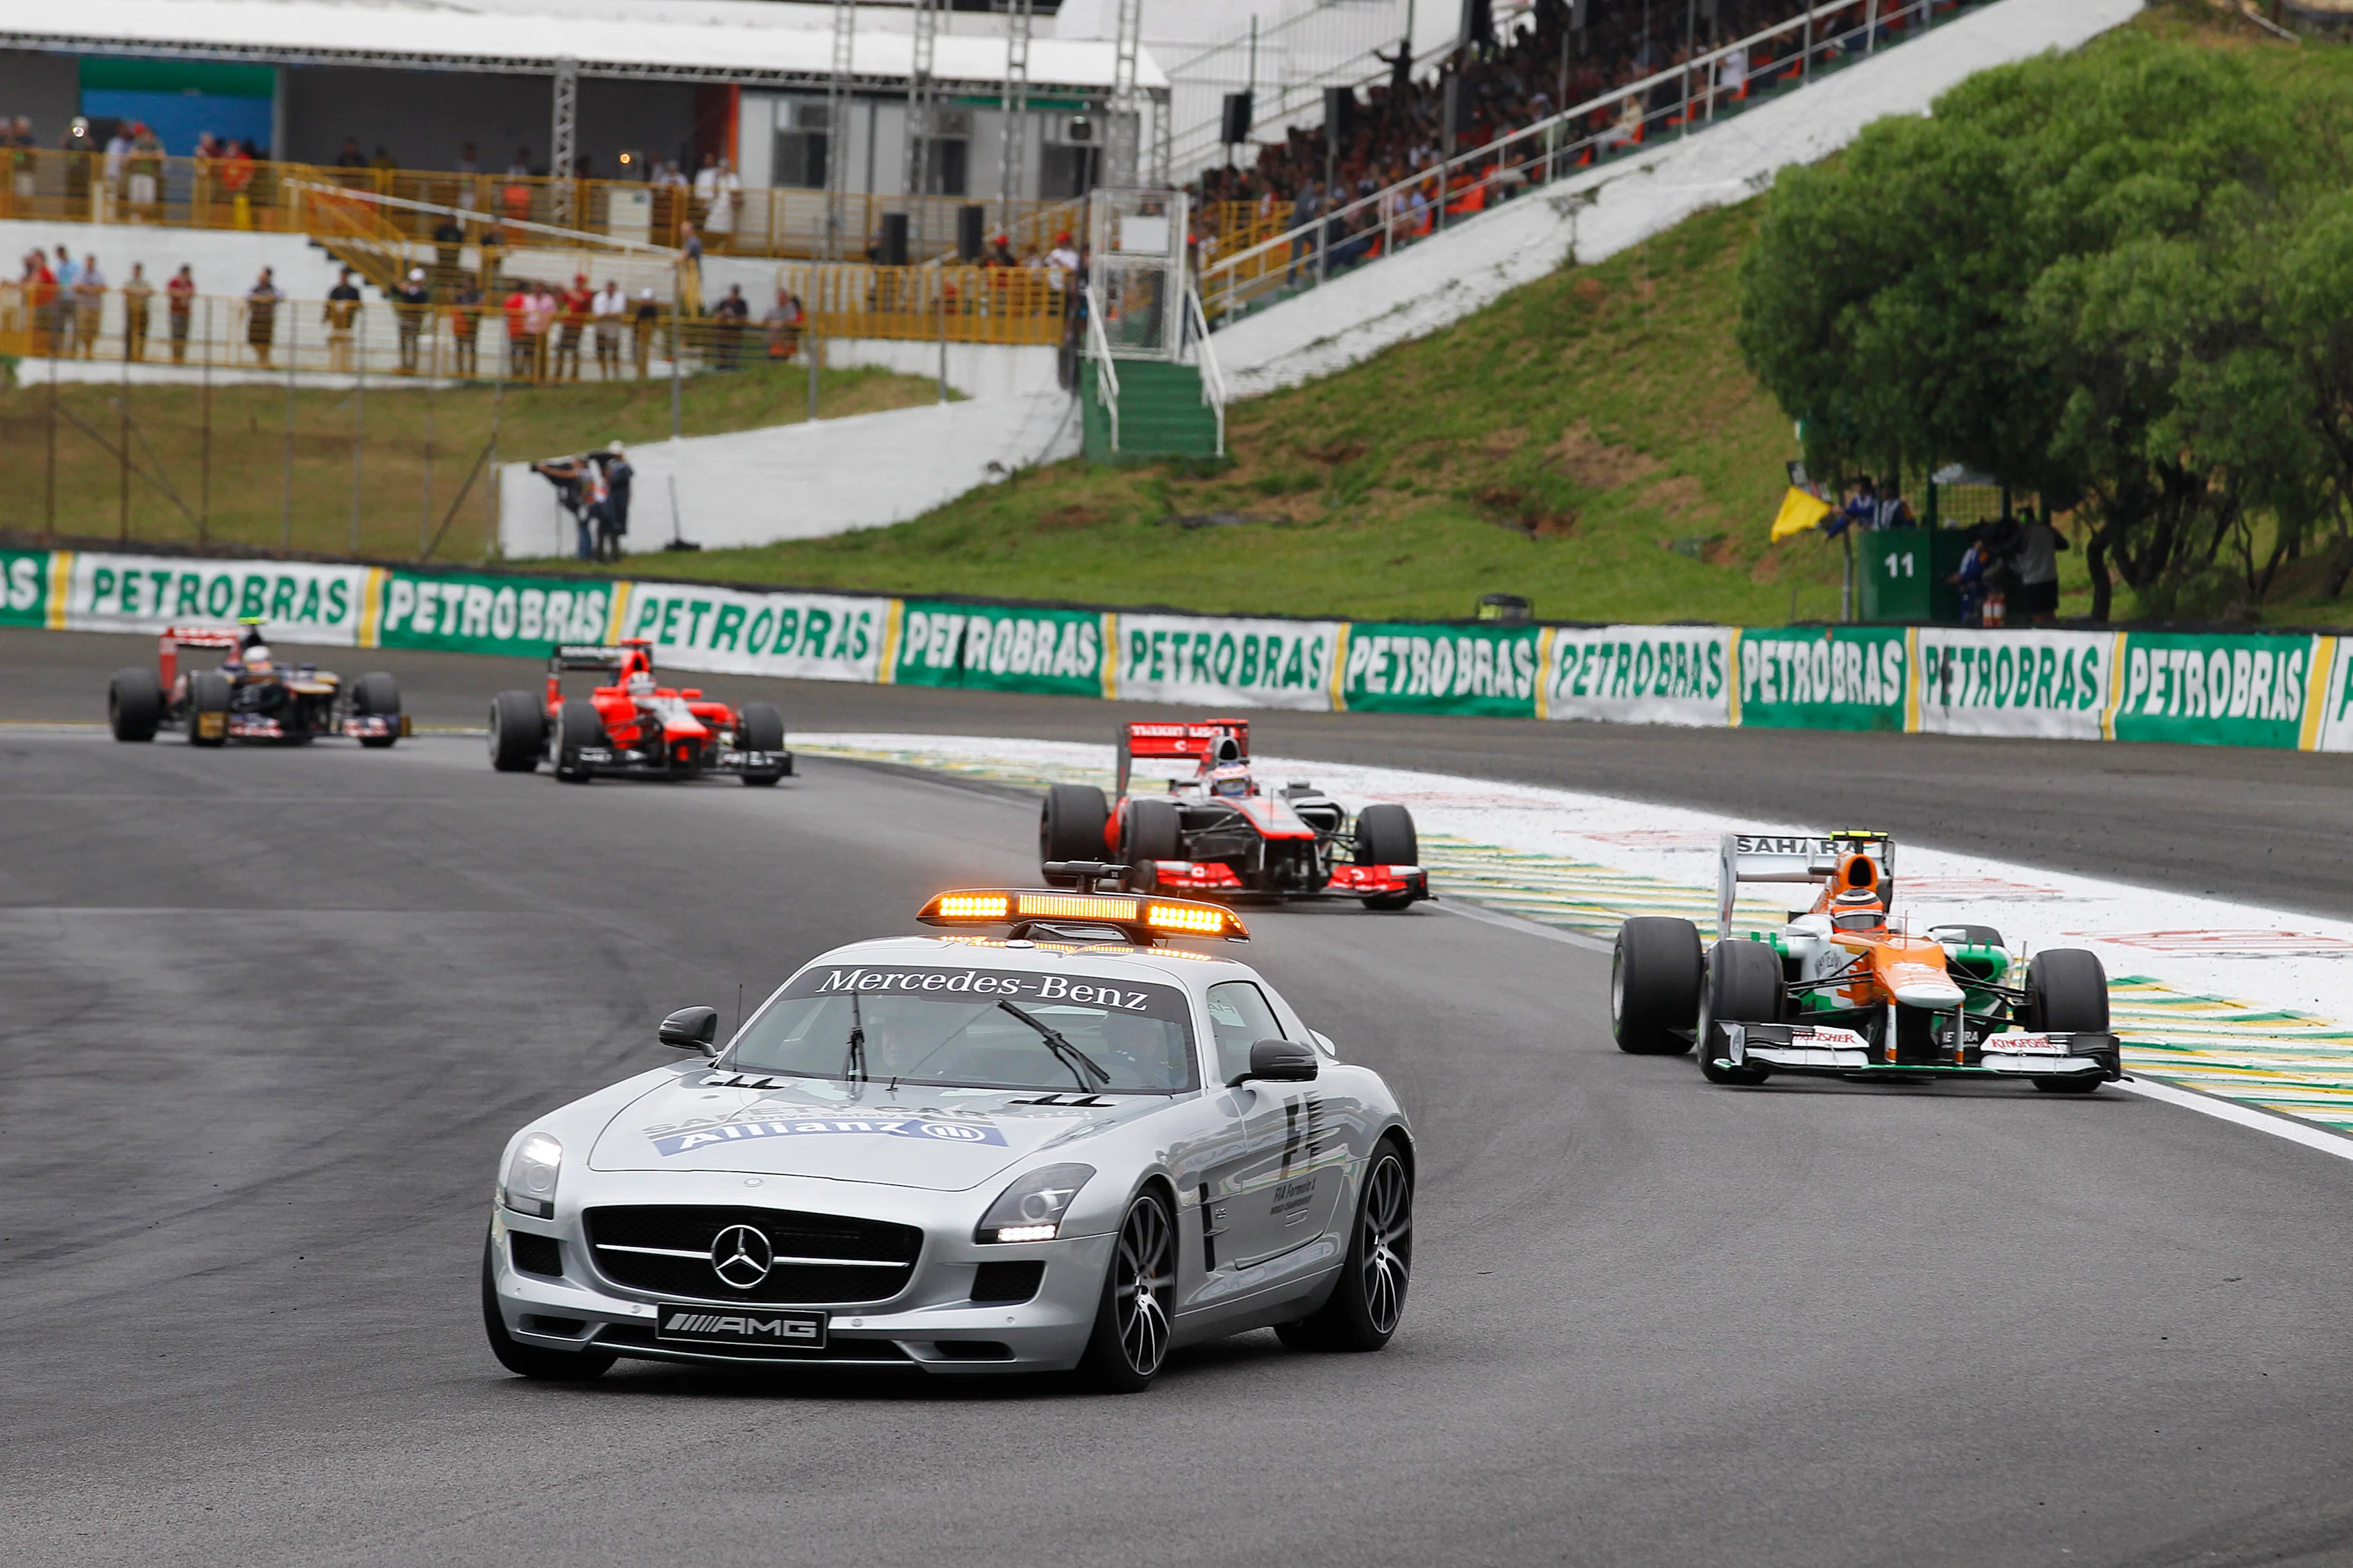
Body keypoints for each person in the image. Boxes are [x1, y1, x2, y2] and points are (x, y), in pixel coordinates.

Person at [2010, 506, 2069, 626]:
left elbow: (2010, 548)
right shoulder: (2047, 529)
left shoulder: (2023, 534)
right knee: (2050, 614)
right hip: (2050, 577)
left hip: (2033, 580)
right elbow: (2064, 544)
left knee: (2037, 615)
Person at [590, 440, 633, 561]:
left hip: (616, 502)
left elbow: (614, 480)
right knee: (602, 529)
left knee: (614, 530)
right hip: (608, 502)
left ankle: (615, 556)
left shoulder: (623, 467)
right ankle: (600, 556)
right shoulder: (612, 465)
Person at [323, 266, 362, 372]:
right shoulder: (335, 291)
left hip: (348, 324)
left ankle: (347, 366)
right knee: (336, 343)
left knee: (347, 344)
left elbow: (359, 305)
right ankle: (335, 366)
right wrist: (326, 317)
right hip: (336, 323)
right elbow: (329, 305)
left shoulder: (353, 291)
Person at [393, 267, 431, 373]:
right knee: (403, 342)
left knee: (413, 343)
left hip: (415, 320)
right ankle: (404, 364)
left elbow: (414, 300)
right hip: (405, 318)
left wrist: (405, 292)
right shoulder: (408, 289)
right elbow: (393, 290)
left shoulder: (423, 293)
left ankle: (413, 366)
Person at [556, 273, 591, 380]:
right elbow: (561, 300)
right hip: (567, 324)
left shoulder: (586, 293)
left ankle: (574, 375)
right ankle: (558, 374)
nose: (577, 283)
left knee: (574, 350)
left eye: (580, 281)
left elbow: (580, 299)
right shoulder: (571, 293)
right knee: (561, 349)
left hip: (577, 326)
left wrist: (565, 287)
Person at [591, 277, 626, 379]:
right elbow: (598, 313)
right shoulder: (599, 297)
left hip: (614, 330)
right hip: (602, 329)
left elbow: (620, 312)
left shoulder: (620, 297)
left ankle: (615, 374)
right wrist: (611, 315)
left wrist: (607, 315)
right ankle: (604, 375)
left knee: (615, 353)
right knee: (601, 353)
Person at [246, 267, 280, 366]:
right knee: (252, 340)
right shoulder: (255, 288)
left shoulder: (272, 288)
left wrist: (267, 299)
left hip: (266, 319)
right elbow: (248, 295)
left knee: (266, 341)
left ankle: (265, 360)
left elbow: (280, 295)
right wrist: (259, 299)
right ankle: (261, 358)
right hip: (255, 318)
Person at [71, 253, 105, 359]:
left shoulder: (99, 275)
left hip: (94, 308)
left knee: (93, 330)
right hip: (84, 307)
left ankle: (89, 352)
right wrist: (87, 289)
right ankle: (82, 352)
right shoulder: (81, 274)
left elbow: (104, 287)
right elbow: (75, 285)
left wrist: (90, 289)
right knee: (82, 330)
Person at [710, 282, 748, 370]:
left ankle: (733, 368)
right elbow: (716, 315)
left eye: (737, 292)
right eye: (734, 292)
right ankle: (721, 366)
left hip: (735, 332)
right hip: (723, 332)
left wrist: (735, 319)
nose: (735, 294)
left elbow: (745, 317)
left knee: (734, 352)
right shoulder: (724, 302)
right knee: (722, 351)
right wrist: (724, 314)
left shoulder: (742, 304)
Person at [450, 278, 481, 377]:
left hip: (472, 326)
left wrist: (468, 309)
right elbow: (455, 305)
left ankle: (472, 372)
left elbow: (479, 308)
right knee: (460, 348)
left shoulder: (476, 296)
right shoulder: (460, 296)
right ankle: (460, 371)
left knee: (472, 349)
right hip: (460, 325)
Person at [121, 261, 153, 361]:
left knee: (142, 333)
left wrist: (136, 293)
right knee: (129, 333)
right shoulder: (129, 282)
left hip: (142, 311)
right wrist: (139, 293)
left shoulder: (145, 283)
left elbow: (150, 291)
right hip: (131, 311)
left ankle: (140, 355)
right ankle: (129, 356)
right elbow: (125, 290)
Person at [761, 287, 802, 361]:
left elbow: (793, 321)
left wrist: (782, 323)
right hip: (772, 340)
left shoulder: (790, 307)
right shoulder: (771, 307)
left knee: (781, 361)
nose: (781, 298)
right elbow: (765, 320)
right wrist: (771, 323)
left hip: (784, 341)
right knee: (771, 361)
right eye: (780, 296)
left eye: (783, 296)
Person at [166, 264, 195, 363]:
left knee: (184, 336)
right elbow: (170, 291)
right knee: (175, 335)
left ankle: (181, 358)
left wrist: (181, 293)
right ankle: (175, 358)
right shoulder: (174, 282)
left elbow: (192, 292)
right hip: (176, 312)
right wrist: (181, 293)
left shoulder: (190, 283)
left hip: (186, 313)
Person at [631, 286, 659, 379]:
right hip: (640, 335)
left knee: (644, 355)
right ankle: (641, 374)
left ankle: (643, 374)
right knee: (640, 355)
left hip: (646, 335)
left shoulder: (651, 311)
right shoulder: (642, 311)